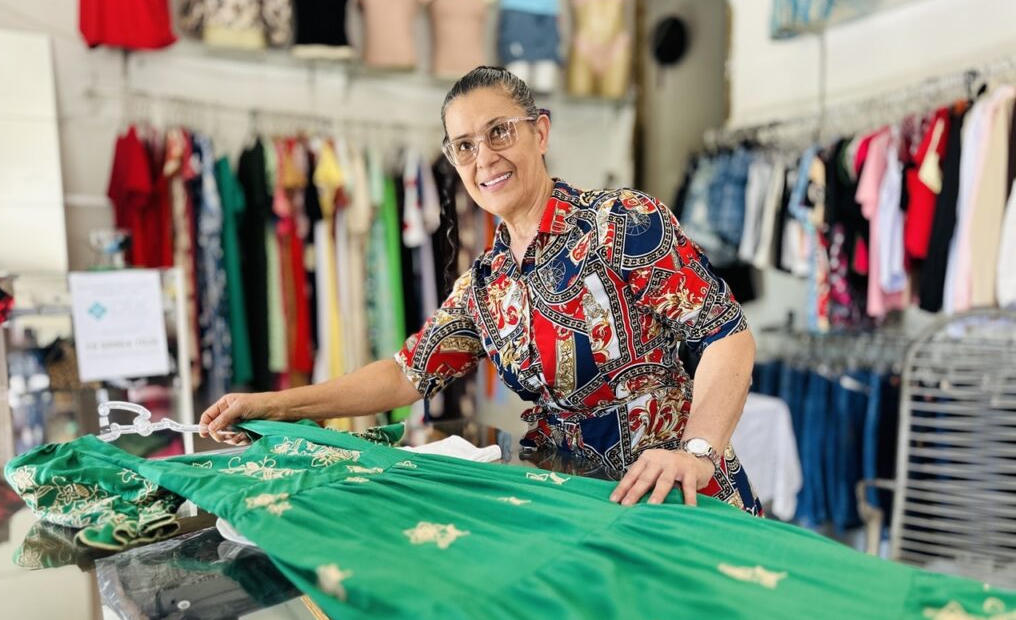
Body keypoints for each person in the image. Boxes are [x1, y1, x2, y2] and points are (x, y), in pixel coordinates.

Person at [201, 66, 761, 515]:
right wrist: (271, 405)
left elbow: (726, 335)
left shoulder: (622, 222)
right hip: (579, 507)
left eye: (499, 132)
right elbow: (404, 374)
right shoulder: (487, 284)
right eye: (464, 145)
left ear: (540, 132)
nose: (485, 158)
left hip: (677, 497)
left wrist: (696, 451)